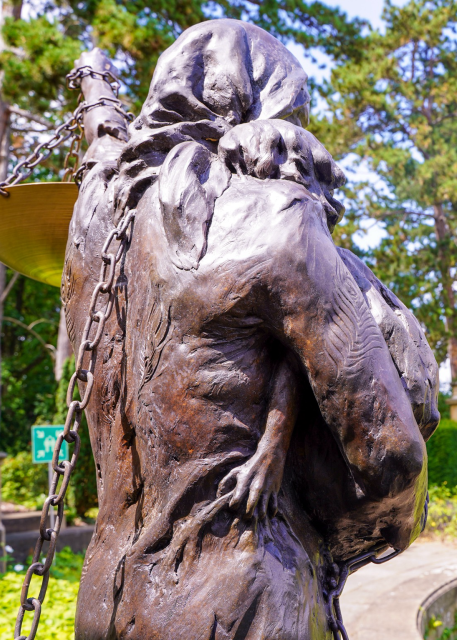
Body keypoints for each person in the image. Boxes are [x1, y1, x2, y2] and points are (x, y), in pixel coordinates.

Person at [63, 20, 439, 640]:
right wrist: (343, 544)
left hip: (108, 599)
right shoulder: (276, 220)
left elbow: (107, 147)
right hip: (245, 601)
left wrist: (97, 85)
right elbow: (391, 455)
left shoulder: (98, 227)